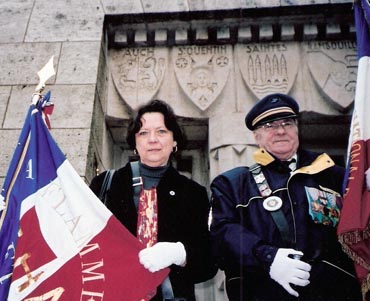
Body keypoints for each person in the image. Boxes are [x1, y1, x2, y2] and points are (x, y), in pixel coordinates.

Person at [209, 93, 361, 301]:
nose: (280, 130)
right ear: (257, 137)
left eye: (287, 123)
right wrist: (267, 257)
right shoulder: (234, 184)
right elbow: (222, 234)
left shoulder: (336, 177)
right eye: (270, 125)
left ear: (297, 129)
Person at [90, 99, 217, 300]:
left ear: (174, 141)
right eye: (143, 133)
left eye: (161, 131)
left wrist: (180, 253)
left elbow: (208, 265)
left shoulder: (194, 193)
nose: (152, 139)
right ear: (134, 143)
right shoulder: (106, 183)